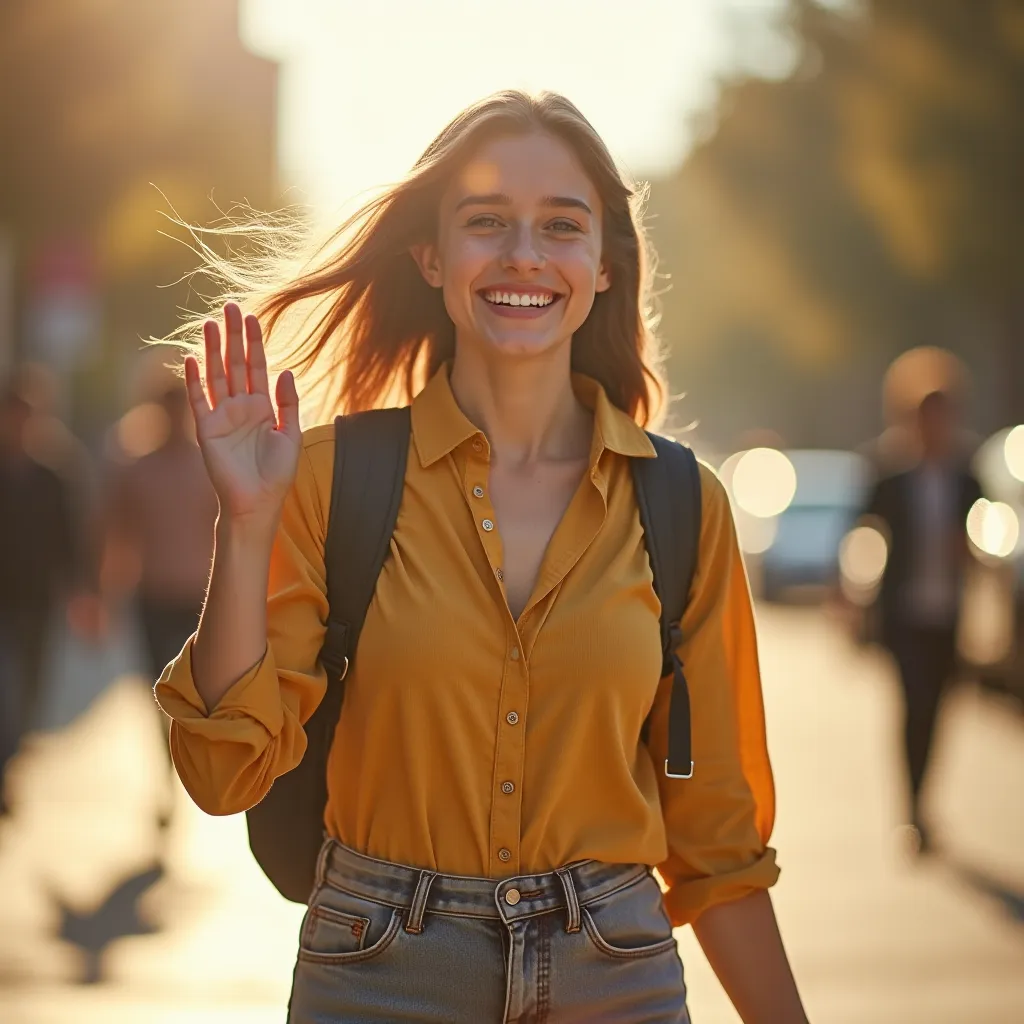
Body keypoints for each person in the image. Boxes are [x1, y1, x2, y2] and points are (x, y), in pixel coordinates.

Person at [155, 91, 808, 1023]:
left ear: (605, 264)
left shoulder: (680, 503)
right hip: (378, 970)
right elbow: (223, 777)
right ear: (432, 255)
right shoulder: (330, 480)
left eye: (561, 226)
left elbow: (717, 848)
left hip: (615, 971)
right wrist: (247, 524)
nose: (524, 255)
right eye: (486, 222)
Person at [861, 389, 982, 854]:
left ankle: (925, 800)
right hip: (903, 614)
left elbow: (984, 536)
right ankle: (912, 809)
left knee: (937, 709)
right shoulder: (892, 477)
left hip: (949, 613)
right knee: (913, 704)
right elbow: (863, 535)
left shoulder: (966, 479)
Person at [100, 380, 218, 829]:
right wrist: (103, 596)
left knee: (195, 695)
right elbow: (115, 533)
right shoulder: (137, 469)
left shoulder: (208, 464)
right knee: (160, 695)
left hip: (200, 598)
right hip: (152, 596)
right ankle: (169, 778)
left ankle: (194, 771)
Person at [0, 381, 82, 813]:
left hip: (37, 600)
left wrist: (81, 593)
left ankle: (11, 756)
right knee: (6, 689)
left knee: (29, 686)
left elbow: (68, 539)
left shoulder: (52, 476)